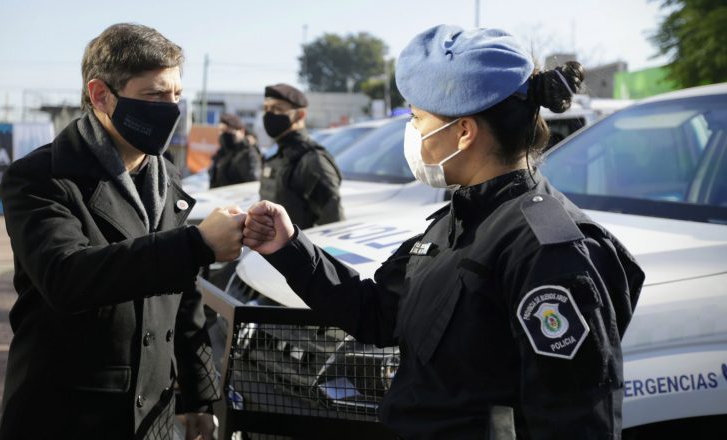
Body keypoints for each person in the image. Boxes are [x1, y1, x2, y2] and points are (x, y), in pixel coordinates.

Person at [243, 25, 644, 440]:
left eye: (418, 118)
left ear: (464, 131)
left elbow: (574, 424)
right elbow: (378, 314)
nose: (413, 133)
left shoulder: (549, 251)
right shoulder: (459, 218)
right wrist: (289, 247)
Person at [0, 23, 244, 440]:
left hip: (154, 416)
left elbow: (181, 295)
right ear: (100, 95)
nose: (171, 108)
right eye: (154, 95)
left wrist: (199, 395)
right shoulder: (41, 177)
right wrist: (197, 243)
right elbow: (67, 277)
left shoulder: (165, 175)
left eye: (177, 95)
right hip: (68, 415)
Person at [259, 83, 343, 229]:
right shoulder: (277, 156)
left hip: (297, 251)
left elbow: (333, 222)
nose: (269, 114)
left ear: (300, 115)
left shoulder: (312, 160)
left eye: (277, 108)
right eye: (266, 108)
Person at [208, 113, 260, 188]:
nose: (223, 134)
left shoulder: (247, 153)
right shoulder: (222, 153)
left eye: (227, 130)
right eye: (221, 131)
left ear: (241, 131)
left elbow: (252, 183)